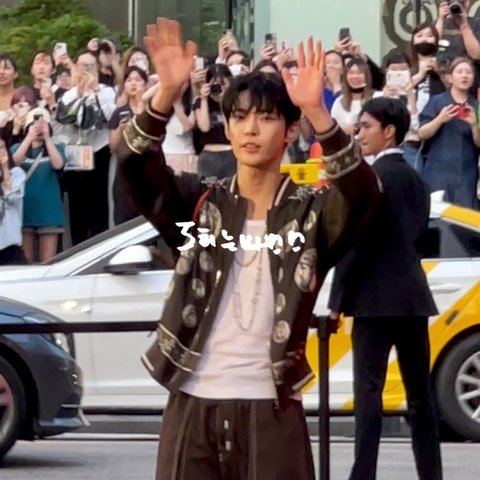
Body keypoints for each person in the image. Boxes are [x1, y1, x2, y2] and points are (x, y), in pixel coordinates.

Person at [117, 18, 380, 480]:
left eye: (266, 117)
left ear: (290, 130)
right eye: (239, 117)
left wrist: (319, 115)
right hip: (192, 402)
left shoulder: (311, 214)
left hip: (271, 408)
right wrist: (165, 95)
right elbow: (134, 164)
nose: (250, 129)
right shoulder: (200, 204)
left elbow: (363, 195)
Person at [329, 96, 443, 480]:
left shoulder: (371, 178)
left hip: (373, 299)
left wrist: (336, 300)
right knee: (420, 395)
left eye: (365, 127)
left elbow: (356, 243)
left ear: (389, 131)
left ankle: (363, 474)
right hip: (412, 298)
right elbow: (418, 237)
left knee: (369, 395)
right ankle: (431, 474)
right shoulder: (417, 180)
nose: (358, 134)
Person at [56, 48, 116, 245]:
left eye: (90, 66)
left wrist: (95, 91)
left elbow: (109, 118)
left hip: (99, 151)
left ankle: (101, 248)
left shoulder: (107, 92)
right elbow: (64, 118)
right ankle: (79, 248)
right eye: (82, 66)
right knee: (77, 206)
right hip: (76, 151)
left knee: (100, 205)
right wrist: (80, 93)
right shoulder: (68, 95)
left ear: (97, 68)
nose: (86, 70)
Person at [418, 57, 480, 209]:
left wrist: (474, 125)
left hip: (466, 175)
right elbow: (422, 133)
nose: (464, 75)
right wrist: (440, 119)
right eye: (460, 72)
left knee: (464, 219)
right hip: (438, 172)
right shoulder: (437, 101)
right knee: (436, 216)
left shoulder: (476, 106)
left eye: (468, 72)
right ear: (450, 78)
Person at [11, 108, 65, 263]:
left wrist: (47, 139)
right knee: (25, 262)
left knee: (48, 262)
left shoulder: (58, 148)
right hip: (24, 210)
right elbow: (13, 164)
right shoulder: (17, 148)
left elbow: (58, 164)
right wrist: (29, 138)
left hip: (48, 212)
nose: (39, 127)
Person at [406, 23, 447, 170]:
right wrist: (420, 74)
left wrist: (440, 72)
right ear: (413, 41)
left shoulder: (445, 65)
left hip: (439, 135)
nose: (424, 39)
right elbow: (400, 90)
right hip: (411, 139)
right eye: (419, 36)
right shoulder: (407, 68)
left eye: (430, 36)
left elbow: (454, 92)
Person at [194, 64, 236, 179]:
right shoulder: (201, 102)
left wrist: (224, 103)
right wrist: (203, 99)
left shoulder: (235, 103)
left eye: (223, 84)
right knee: (207, 187)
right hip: (209, 156)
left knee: (231, 187)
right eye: (215, 85)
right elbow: (204, 127)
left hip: (230, 154)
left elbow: (231, 131)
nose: (219, 88)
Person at [435, 0, 480, 89]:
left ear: (468, 3)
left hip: (468, 79)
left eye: (461, 2)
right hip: (441, 78)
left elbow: (476, 55)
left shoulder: (476, 24)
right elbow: (432, 48)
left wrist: (463, 24)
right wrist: (441, 19)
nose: (457, 5)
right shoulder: (440, 23)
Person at [331, 57, 382, 135]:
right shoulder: (339, 102)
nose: (355, 76)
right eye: (351, 73)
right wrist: (344, 129)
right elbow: (333, 129)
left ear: (366, 76)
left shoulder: (378, 97)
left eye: (359, 73)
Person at [0, 138, 27, 265]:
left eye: (2, 147)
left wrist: (5, 168)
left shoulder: (17, 174)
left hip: (11, 246)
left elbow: (12, 197)